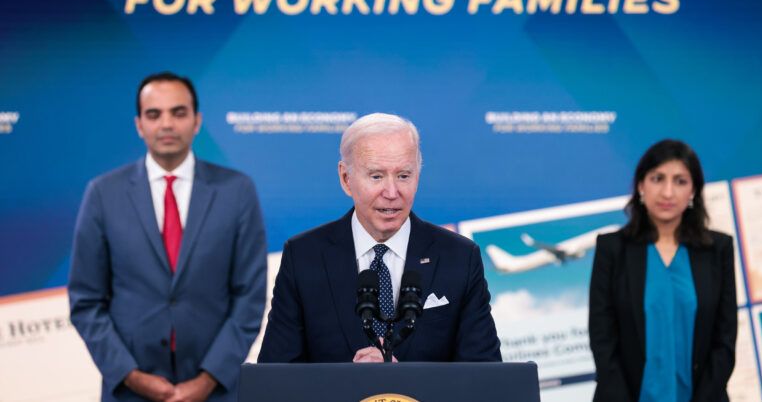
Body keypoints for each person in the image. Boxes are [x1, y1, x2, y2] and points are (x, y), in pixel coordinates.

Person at [68, 72, 266, 402]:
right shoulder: (103, 193)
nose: (167, 124)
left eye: (178, 112)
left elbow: (250, 297)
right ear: (139, 125)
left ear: (197, 120)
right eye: (154, 114)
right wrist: (131, 376)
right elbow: (86, 302)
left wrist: (207, 379)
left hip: (216, 391)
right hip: (129, 391)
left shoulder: (237, 191)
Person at [258, 113, 501, 363]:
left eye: (403, 175)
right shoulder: (303, 258)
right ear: (346, 179)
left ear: (418, 176)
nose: (392, 192)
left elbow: (487, 381)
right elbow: (275, 382)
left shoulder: (459, 257)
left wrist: (405, 384)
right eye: (376, 176)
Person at [589, 139, 736, 402]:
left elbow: (724, 342)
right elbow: (603, 340)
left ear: (693, 191)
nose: (668, 193)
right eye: (658, 178)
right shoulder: (612, 249)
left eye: (680, 181)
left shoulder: (718, 249)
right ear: (641, 185)